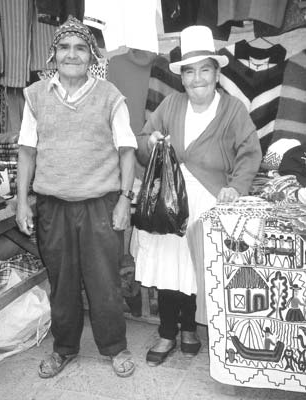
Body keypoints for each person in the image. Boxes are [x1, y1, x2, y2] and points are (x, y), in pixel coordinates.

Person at [130, 25, 262, 366]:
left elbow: (250, 153)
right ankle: (166, 332)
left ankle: (189, 329)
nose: (197, 78)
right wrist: (153, 141)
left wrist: (236, 187)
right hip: (168, 202)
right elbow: (143, 142)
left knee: (193, 269)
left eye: (205, 69)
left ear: (217, 74)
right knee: (167, 267)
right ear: (182, 77)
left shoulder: (234, 110)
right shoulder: (171, 103)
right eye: (190, 71)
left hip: (207, 202)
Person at [16, 16, 137, 378]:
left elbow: (127, 151)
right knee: (62, 282)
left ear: (92, 56)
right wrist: (22, 200)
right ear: (53, 55)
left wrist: (124, 200)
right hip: (53, 205)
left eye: (80, 48)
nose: (72, 55)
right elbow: (27, 151)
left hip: (99, 204)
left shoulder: (109, 96)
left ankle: (115, 347)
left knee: (104, 281)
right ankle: (64, 348)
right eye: (65, 48)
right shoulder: (35, 96)